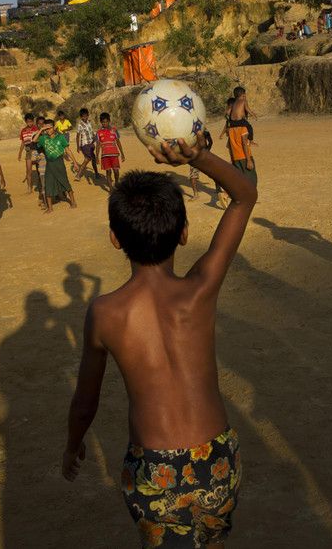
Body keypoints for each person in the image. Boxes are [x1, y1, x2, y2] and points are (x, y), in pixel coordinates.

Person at [61, 137, 257, 548]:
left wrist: (73, 445)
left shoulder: (105, 313)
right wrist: (197, 156)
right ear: (184, 233)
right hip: (216, 457)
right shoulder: (199, 292)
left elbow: (85, 401)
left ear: (116, 238)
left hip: (153, 469)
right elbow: (244, 196)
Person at [33, 121, 78, 210]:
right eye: (46, 128)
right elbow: (34, 140)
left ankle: (73, 202)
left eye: (50, 128)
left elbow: (68, 150)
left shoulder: (60, 137)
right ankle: (50, 208)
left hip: (59, 163)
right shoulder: (43, 138)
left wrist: (75, 162)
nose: (48, 130)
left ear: (54, 128)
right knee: (48, 184)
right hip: (49, 164)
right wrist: (41, 129)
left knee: (65, 182)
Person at [188, 129, 220, 203]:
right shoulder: (190, 130)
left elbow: (210, 142)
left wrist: (206, 151)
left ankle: (218, 189)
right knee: (193, 176)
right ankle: (196, 194)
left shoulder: (204, 130)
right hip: (195, 157)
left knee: (214, 173)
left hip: (201, 156)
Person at [96, 112, 125, 189]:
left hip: (114, 154)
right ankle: (111, 189)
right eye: (103, 122)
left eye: (106, 122)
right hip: (105, 155)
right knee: (108, 172)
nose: (105, 123)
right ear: (101, 122)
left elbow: (118, 142)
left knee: (116, 171)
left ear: (109, 121)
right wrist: (97, 157)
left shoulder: (114, 130)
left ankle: (116, 182)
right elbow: (98, 145)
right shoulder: (99, 132)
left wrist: (122, 153)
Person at [74, 107, 99, 182]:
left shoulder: (89, 123)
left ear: (88, 115)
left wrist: (95, 138)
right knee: (87, 159)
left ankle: (96, 173)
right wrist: (78, 147)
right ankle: (78, 175)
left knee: (93, 159)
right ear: (81, 117)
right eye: (83, 116)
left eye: (86, 116)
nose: (85, 117)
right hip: (84, 144)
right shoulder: (80, 125)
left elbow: (91, 132)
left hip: (91, 144)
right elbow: (77, 136)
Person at [17, 113, 39, 193]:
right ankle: (29, 187)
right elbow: (23, 142)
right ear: (26, 121)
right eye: (28, 122)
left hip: (36, 151)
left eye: (31, 121)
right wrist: (19, 153)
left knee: (39, 169)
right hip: (28, 152)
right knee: (28, 170)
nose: (30, 123)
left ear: (33, 121)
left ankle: (40, 185)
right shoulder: (23, 130)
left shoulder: (36, 129)